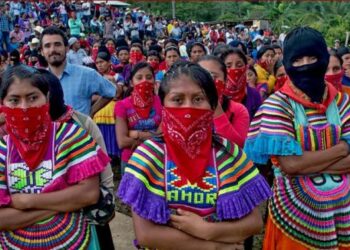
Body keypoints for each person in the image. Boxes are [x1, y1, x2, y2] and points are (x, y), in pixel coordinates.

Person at [117, 61, 271, 249]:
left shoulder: (229, 154)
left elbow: (254, 222)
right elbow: (146, 234)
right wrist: (215, 246)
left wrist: (206, 230)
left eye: (198, 99)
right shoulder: (148, 156)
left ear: (212, 105)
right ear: (163, 105)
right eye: (177, 99)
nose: (188, 108)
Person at [244, 26, 350, 250]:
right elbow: (290, 164)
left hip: (344, 215)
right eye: (298, 60)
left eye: (313, 58)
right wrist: (342, 149)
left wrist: (307, 164)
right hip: (296, 218)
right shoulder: (276, 106)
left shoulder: (342, 102)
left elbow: (297, 165)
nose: (306, 66)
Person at [0, 65, 110, 249]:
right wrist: (62, 204)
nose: (24, 107)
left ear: (47, 98)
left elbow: (89, 194)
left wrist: (27, 202)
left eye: (33, 97)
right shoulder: (3, 149)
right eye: (14, 100)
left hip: (76, 240)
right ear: (3, 104)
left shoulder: (73, 137)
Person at [40, 26, 116, 116]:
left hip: (80, 129)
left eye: (57, 44)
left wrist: (91, 112)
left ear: (67, 48)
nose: (52, 50)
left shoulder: (86, 74)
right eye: (47, 46)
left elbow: (110, 92)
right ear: (42, 51)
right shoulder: (39, 79)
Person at [115, 62, 162, 173]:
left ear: (154, 81)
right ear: (131, 82)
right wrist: (153, 135)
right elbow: (122, 141)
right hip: (132, 159)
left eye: (149, 77)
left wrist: (135, 134)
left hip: (157, 158)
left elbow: (163, 136)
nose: (144, 81)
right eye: (139, 78)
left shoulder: (161, 102)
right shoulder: (122, 105)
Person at [198, 55, 250, 147]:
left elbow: (238, 146)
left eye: (212, 76)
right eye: (200, 76)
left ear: (225, 81)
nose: (206, 81)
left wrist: (216, 108)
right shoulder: (185, 107)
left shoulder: (238, 110)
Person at [93, 47, 123, 161]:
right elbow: (92, 97)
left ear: (109, 62)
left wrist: (112, 83)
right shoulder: (94, 77)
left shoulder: (117, 76)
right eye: (97, 63)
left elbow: (118, 94)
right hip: (98, 111)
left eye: (102, 62)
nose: (99, 65)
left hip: (113, 110)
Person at [220, 47, 262, 120]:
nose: (234, 69)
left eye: (239, 65)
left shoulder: (254, 94)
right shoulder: (218, 96)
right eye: (228, 66)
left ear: (245, 67)